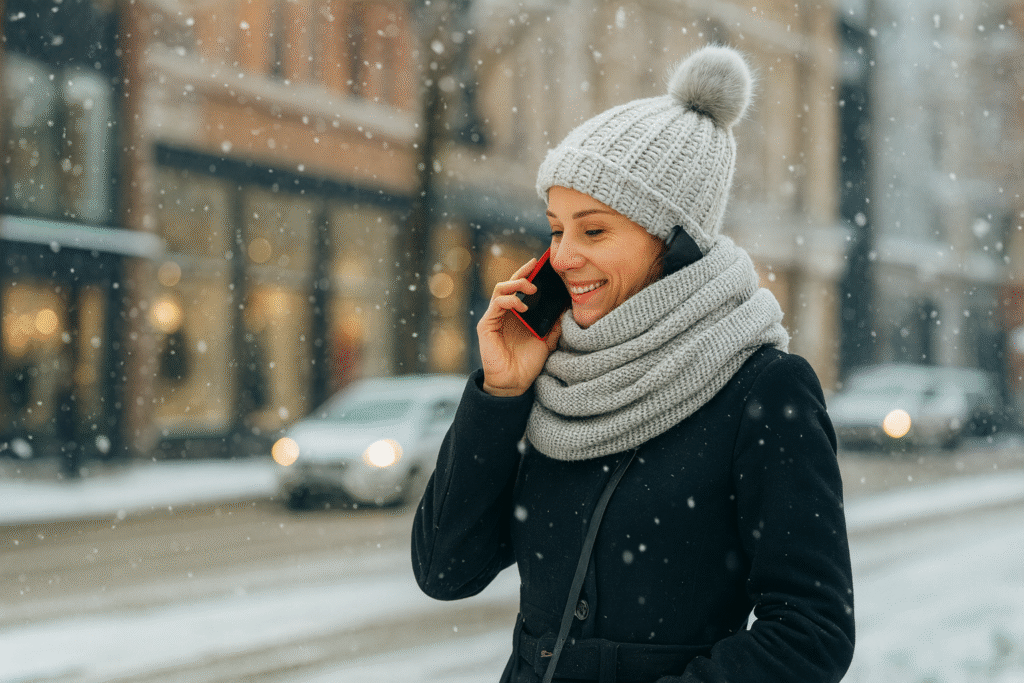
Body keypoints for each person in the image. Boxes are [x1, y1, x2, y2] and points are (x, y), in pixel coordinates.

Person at [412, 45, 855, 683]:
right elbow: (445, 572)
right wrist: (501, 393)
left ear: (674, 245)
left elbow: (811, 631)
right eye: (556, 229)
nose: (561, 257)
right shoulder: (554, 380)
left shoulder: (763, 389)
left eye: (593, 232)